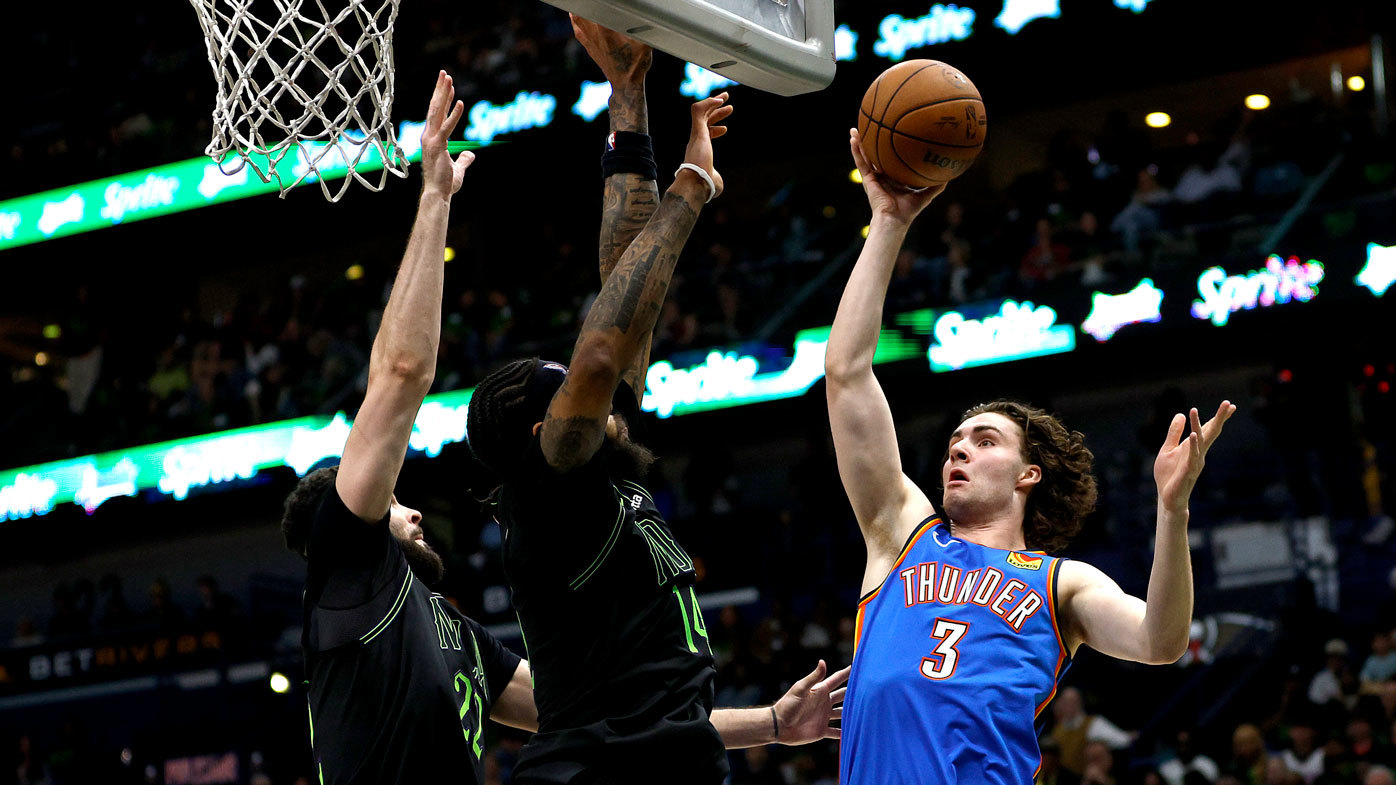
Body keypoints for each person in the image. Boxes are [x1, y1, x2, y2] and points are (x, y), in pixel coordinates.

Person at [463, 19, 845, 785]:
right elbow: (602, 347)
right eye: (572, 389)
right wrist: (692, 188)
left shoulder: (590, 466)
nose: (594, 383)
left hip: (659, 759)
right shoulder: (553, 495)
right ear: (548, 429)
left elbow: (620, 287)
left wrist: (628, 94)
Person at [831, 125, 1236, 785]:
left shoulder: (1062, 582)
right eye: (956, 442)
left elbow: (1161, 643)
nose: (959, 449)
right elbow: (848, 374)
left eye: (984, 440)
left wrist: (1172, 509)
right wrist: (887, 223)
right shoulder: (899, 533)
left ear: (1029, 472)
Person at [278, 72, 536, 785]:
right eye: (393, 503)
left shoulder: (457, 635)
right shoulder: (347, 563)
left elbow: (598, 711)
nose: (414, 507)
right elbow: (399, 374)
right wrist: (433, 198)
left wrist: (768, 723)